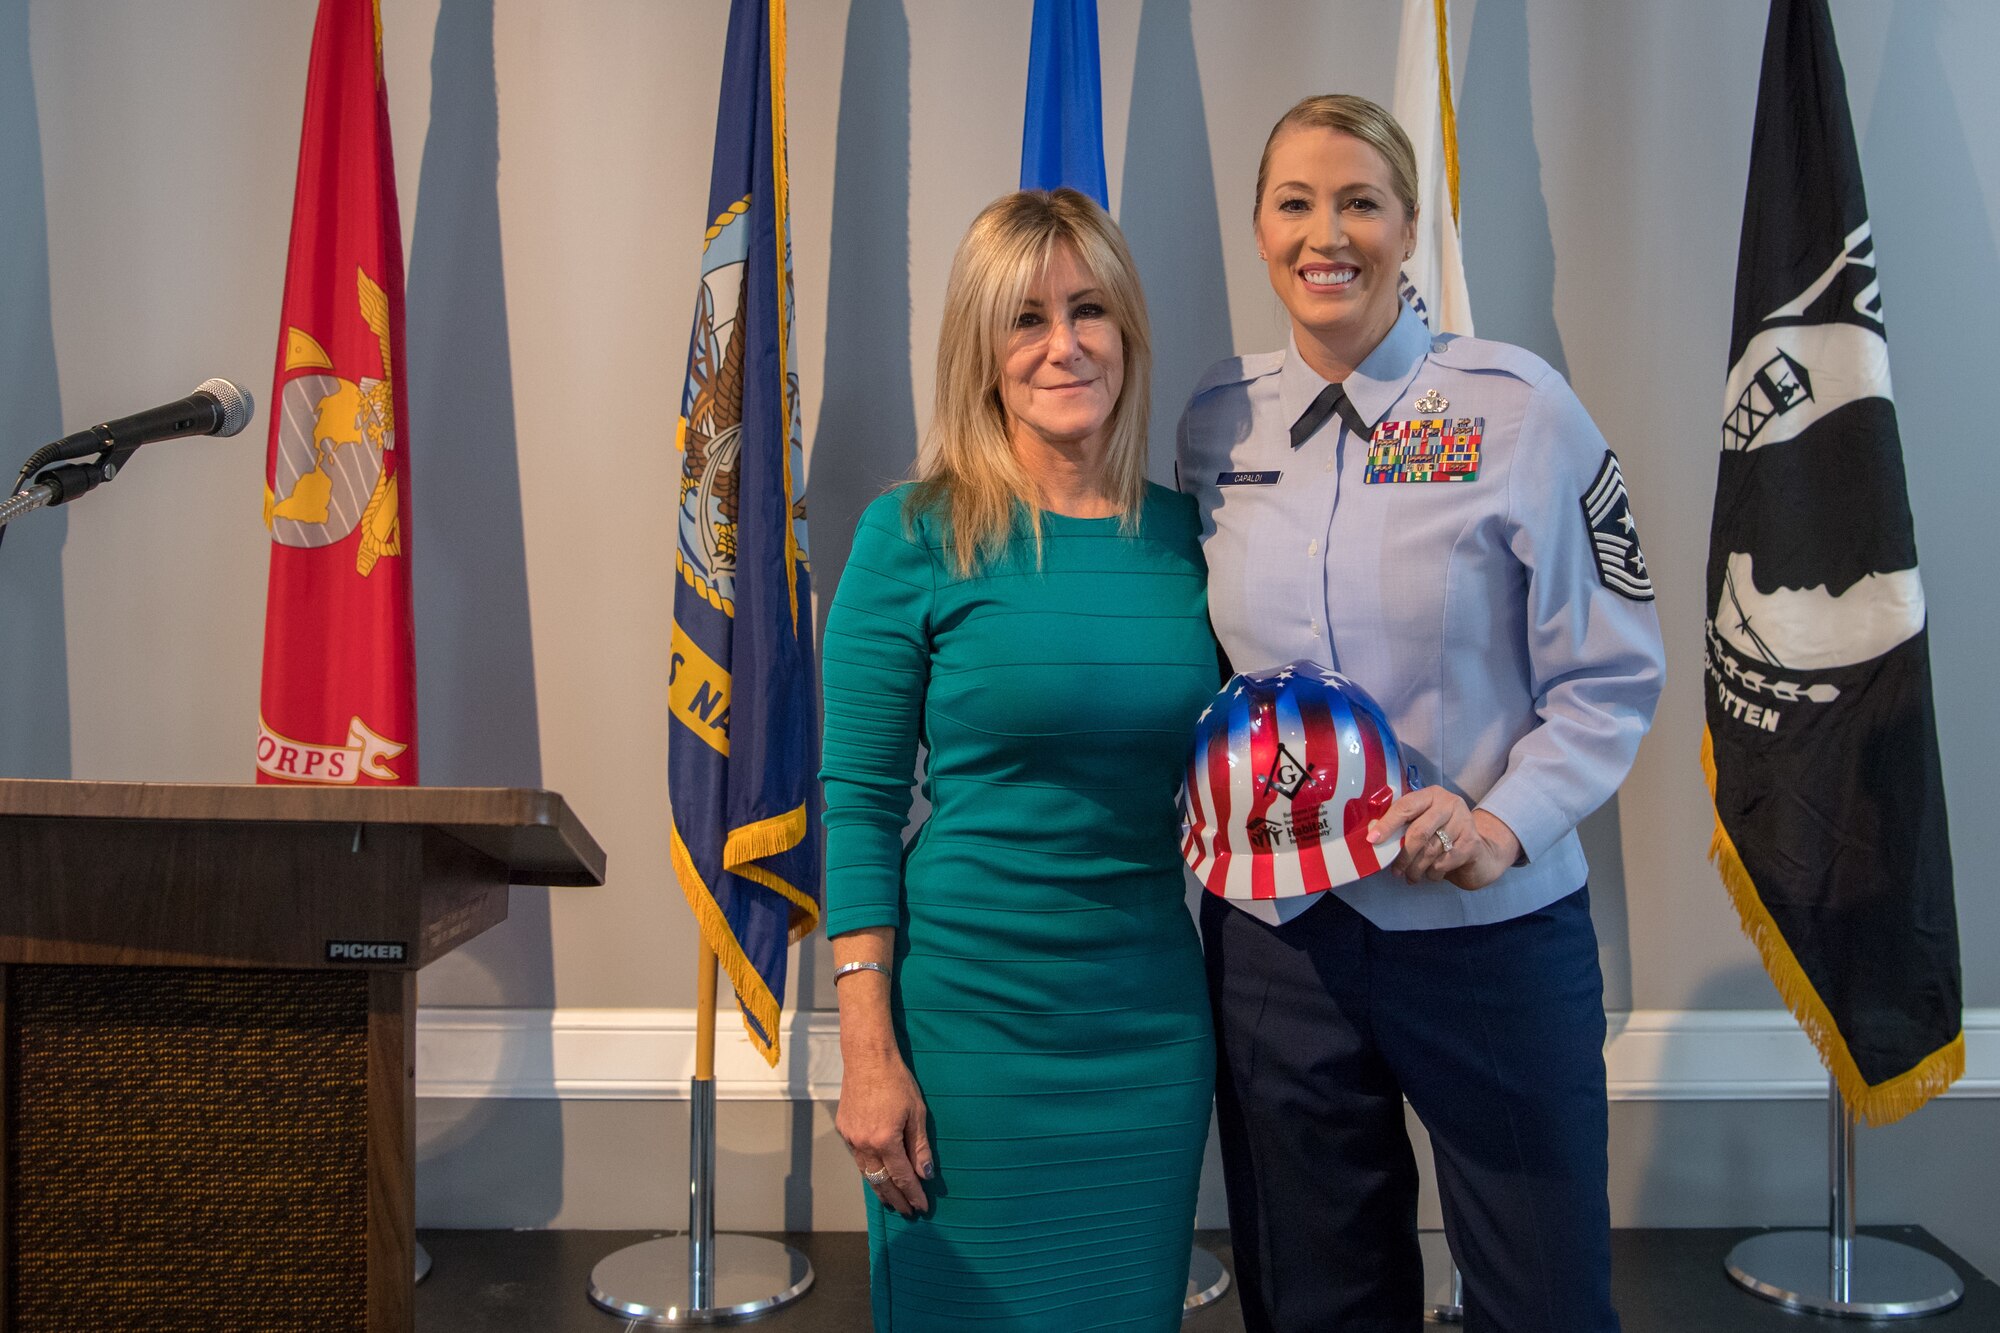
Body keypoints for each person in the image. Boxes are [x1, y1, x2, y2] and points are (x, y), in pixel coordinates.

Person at [1177, 94, 1666, 1332]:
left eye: (1358, 202)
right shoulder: (1212, 424)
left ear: (1405, 227)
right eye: (1294, 203)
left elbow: (1608, 673)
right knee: (1313, 1302)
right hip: (1279, 939)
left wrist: (1501, 824)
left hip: (1484, 932)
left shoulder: (1514, 409)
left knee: (1542, 1300)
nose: (1323, 233)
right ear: (1259, 228)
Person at [820, 188, 1217, 1331]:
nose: (1062, 344)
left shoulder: (1190, 541)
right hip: (964, 1034)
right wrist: (866, 1052)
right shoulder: (910, 536)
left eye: (1088, 310)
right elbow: (857, 806)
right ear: (979, 352)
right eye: (1024, 318)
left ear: (1126, 332)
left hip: (1143, 1026)